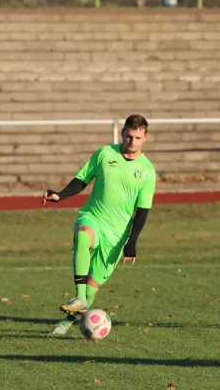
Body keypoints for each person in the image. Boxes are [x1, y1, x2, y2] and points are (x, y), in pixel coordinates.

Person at [42, 114, 156, 335]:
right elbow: (82, 179)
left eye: (138, 138)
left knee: (92, 288)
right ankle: (78, 296)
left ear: (145, 138)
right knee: (83, 235)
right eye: (130, 136)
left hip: (117, 235)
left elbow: (142, 211)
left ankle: (67, 321)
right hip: (93, 217)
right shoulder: (104, 154)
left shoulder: (148, 171)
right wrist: (60, 195)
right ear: (122, 132)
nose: (133, 141)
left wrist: (132, 243)